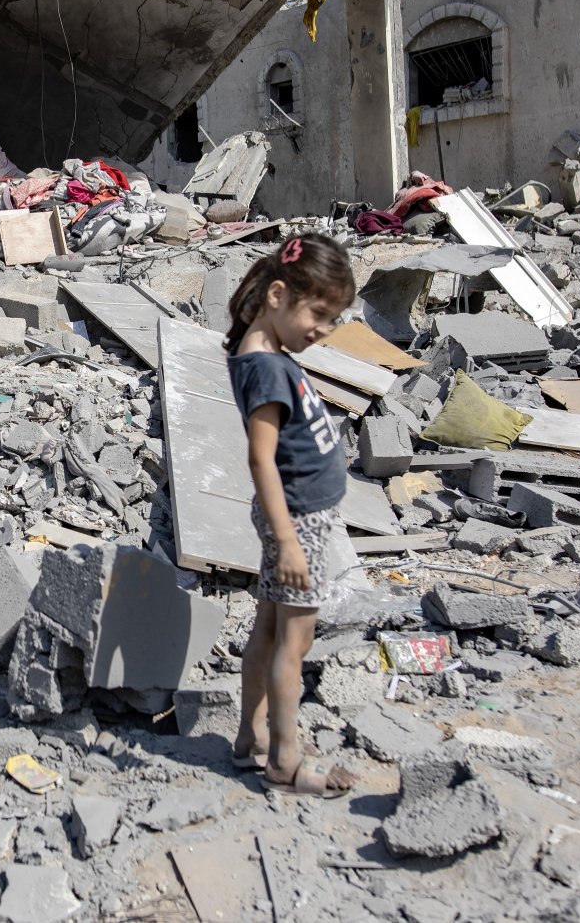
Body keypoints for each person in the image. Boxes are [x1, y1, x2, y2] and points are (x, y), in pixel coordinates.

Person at [226, 233, 360, 798]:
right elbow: (260, 457)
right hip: (298, 521)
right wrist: (288, 541)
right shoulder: (267, 369)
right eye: (319, 314)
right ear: (278, 295)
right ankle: (285, 757)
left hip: (297, 519)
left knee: (269, 629)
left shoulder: (266, 357)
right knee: (293, 644)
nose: (323, 330)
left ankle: (249, 739)